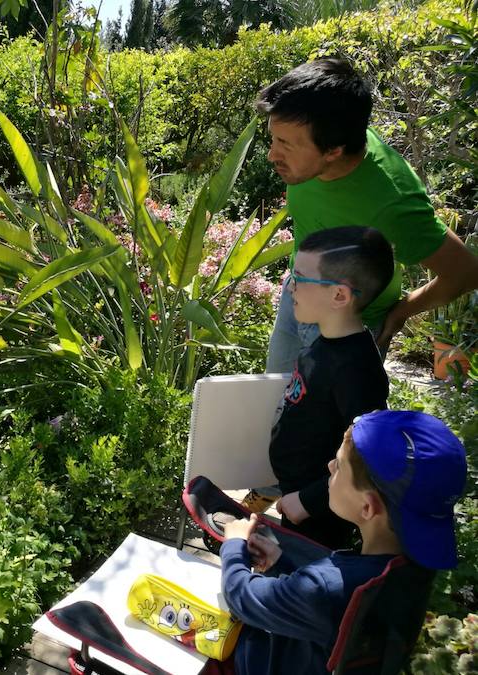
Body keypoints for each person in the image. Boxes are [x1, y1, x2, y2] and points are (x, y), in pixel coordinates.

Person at [256, 58, 478, 374]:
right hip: (297, 299)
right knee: (276, 405)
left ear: (333, 151)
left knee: (331, 423)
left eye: (286, 145)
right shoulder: (327, 130)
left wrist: (403, 311)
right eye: (273, 138)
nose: (272, 155)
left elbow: (465, 271)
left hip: (349, 328)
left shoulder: (391, 202)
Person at [220, 410, 467, 675]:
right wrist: (281, 563)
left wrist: (234, 546)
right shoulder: (412, 568)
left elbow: (242, 597)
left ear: (367, 507)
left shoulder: (326, 588)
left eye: (338, 465)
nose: (329, 467)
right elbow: (332, 614)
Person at [267, 226, 393, 549]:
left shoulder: (357, 371)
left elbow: (367, 458)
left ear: (339, 295)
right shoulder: (325, 342)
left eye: (300, 278)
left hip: (320, 517)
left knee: (294, 589)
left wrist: (307, 501)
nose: (290, 287)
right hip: (295, 497)